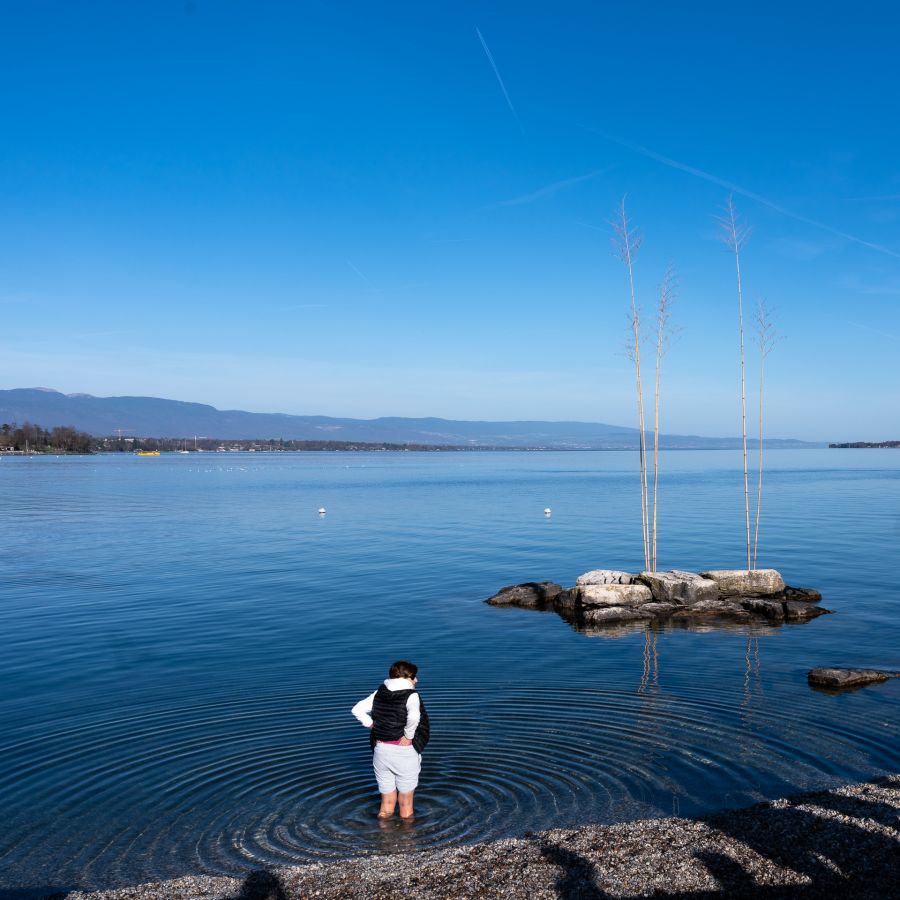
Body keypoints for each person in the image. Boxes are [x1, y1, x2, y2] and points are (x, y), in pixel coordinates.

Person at [351, 660, 430, 819]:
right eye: (414, 677)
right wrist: (408, 736)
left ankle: (383, 839)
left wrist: (372, 724)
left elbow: (357, 709)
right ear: (406, 678)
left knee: (386, 804)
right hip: (404, 753)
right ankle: (407, 841)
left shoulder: (380, 692)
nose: (416, 680)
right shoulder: (411, 695)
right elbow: (414, 718)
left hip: (381, 751)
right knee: (406, 804)